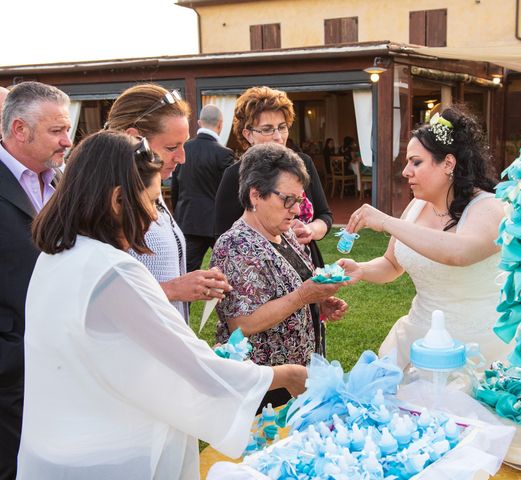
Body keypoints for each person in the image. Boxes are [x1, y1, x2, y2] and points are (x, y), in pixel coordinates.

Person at [18, 131, 307, 479]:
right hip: (108, 459)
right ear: (118, 200)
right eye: (154, 202)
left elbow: (121, 353)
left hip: (58, 447)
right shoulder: (114, 273)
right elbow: (193, 367)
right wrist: (285, 375)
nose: (155, 217)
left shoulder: (58, 257)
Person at [338, 106, 512, 370]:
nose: (406, 171)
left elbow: (458, 253)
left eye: (416, 162)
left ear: (449, 164)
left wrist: (386, 222)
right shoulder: (417, 207)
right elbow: (392, 264)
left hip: (479, 348)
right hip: (418, 338)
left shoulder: (490, 208)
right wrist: (360, 269)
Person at [212, 143, 347, 409]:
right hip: (265, 389)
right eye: (287, 200)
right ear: (255, 195)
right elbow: (241, 323)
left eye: (299, 200)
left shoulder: (283, 233)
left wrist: (317, 304)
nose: (296, 210)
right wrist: (303, 296)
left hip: (297, 378)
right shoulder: (236, 245)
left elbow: (287, 290)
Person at [214, 86, 334, 355]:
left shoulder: (300, 166)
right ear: (247, 134)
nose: (278, 136)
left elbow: (324, 214)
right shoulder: (235, 182)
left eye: (282, 127)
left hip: (297, 271)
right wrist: (302, 294)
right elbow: (229, 251)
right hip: (263, 356)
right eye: (267, 129)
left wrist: (311, 230)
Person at [106, 84, 229, 321]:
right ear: (134, 139)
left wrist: (193, 282)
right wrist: (173, 289)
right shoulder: (111, 203)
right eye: (171, 147)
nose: (182, 158)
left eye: (183, 144)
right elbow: (101, 295)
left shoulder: (150, 187)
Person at [0, 81, 71, 480]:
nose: (67, 141)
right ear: (20, 130)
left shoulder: (60, 182)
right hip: (11, 365)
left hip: (60, 358)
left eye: (67, 129)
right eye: (56, 131)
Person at [172, 104, 235, 272]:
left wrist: (178, 212)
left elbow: (175, 188)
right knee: (229, 271)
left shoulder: (184, 149)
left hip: (188, 220)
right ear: (221, 124)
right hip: (216, 224)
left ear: (199, 122)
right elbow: (230, 192)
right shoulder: (224, 154)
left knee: (186, 272)